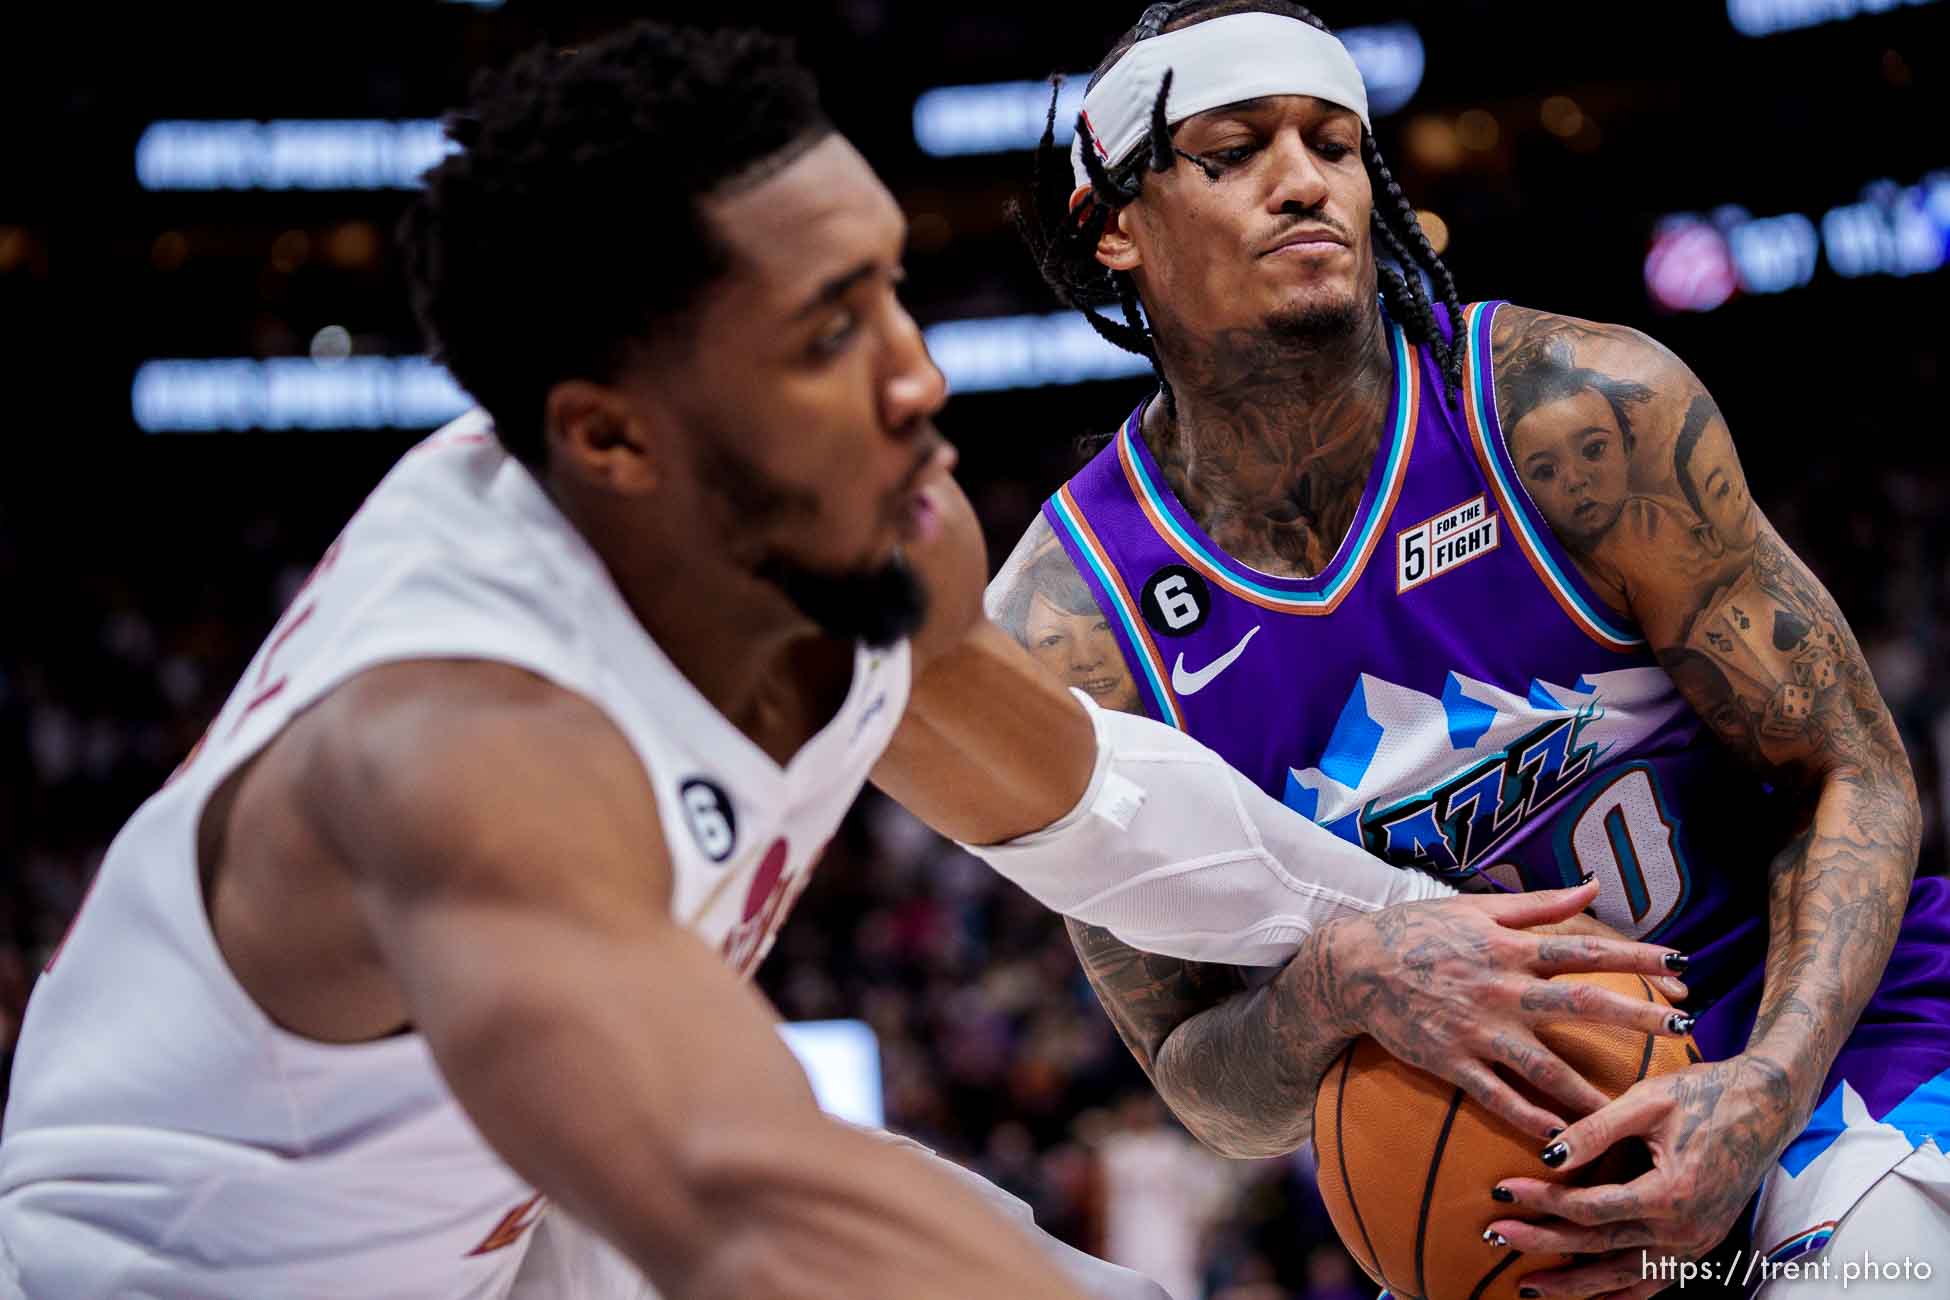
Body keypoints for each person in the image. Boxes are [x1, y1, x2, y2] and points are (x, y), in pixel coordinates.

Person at [0, 18, 1690, 1300]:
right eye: (826, 335)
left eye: (888, 291)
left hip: (517, 1225)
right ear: (611, 439)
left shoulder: (847, 544)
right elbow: (739, 1204)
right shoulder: (461, 747)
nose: (916, 377)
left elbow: (1103, 806)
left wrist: (1399, 936)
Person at [999, 2, 1950, 1296]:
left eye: (1332, 143)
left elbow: (1860, 771)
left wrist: (1761, 1093)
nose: (1302, 181)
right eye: (1231, 151)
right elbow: (1202, 1080)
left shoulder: (1572, 412)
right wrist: (1326, 985)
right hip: (1524, 1186)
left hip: (1831, 1056)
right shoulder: (1073, 625)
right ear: (1110, 223)